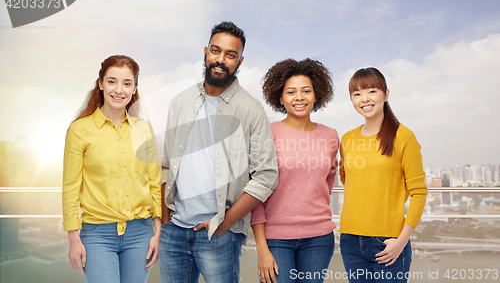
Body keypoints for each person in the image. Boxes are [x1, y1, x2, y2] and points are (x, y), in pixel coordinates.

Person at [158, 21, 278, 283]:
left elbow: (266, 176)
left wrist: (224, 223)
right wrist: (165, 218)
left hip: (220, 235)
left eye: (230, 55)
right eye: (216, 50)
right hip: (174, 232)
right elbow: (166, 165)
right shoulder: (180, 103)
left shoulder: (251, 110)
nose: (221, 59)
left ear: (240, 61)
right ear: (205, 51)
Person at [62, 55, 162, 283]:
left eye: (127, 83)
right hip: (97, 235)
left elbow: (154, 183)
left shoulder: (144, 130)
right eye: (112, 81)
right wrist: (73, 239)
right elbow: (70, 188)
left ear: (135, 88)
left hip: (141, 234)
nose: (119, 90)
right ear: (100, 83)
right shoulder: (79, 130)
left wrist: (157, 233)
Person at [251, 58, 338, 283]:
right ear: (280, 97)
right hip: (275, 239)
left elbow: (329, 176)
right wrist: (261, 247)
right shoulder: (266, 134)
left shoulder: (331, 135)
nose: (299, 97)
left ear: (316, 94)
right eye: (291, 92)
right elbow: (255, 190)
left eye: (306, 91)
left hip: (319, 237)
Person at [339, 67, 428, 283]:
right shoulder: (347, 139)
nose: (364, 99)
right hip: (350, 240)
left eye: (371, 91)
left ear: (386, 94)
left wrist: (401, 240)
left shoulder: (404, 136)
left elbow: (419, 193)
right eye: (356, 94)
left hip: (390, 241)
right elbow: (346, 178)